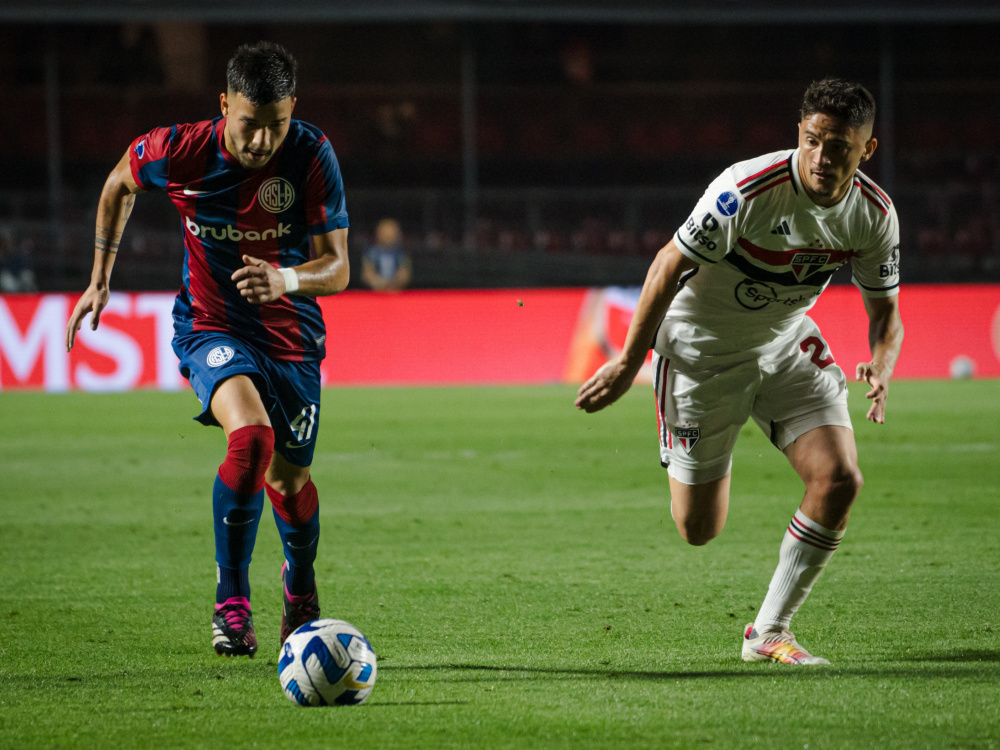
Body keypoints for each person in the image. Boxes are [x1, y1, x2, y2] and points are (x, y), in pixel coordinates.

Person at [575, 78, 903, 665]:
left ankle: (769, 632)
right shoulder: (747, 189)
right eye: (812, 141)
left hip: (784, 343)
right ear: (799, 134)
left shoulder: (873, 215)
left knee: (841, 480)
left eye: (840, 147)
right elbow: (666, 265)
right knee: (698, 529)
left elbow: (886, 315)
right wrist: (630, 361)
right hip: (703, 351)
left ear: (867, 149)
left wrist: (881, 362)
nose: (823, 158)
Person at [66, 42, 350, 658]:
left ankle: (299, 588)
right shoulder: (180, 150)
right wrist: (100, 276)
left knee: (290, 480)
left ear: (292, 109)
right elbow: (119, 183)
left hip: (293, 338)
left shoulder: (310, 153)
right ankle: (232, 601)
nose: (261, 142)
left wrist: (287, 279)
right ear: (225, 105)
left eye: (275, 125)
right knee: (250, 439)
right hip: (210, 325)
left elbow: (339, 266)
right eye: (249, 125)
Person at [361, 218, 411, 291]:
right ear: (378, 234)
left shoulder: (401, 254)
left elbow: (405, 275)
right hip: (375, 292)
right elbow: (367, 274)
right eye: (385, 234)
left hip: (396, 292)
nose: (388, 237)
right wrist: (380, 283)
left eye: (391, 234)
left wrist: (394, 282)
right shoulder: (371, 253)